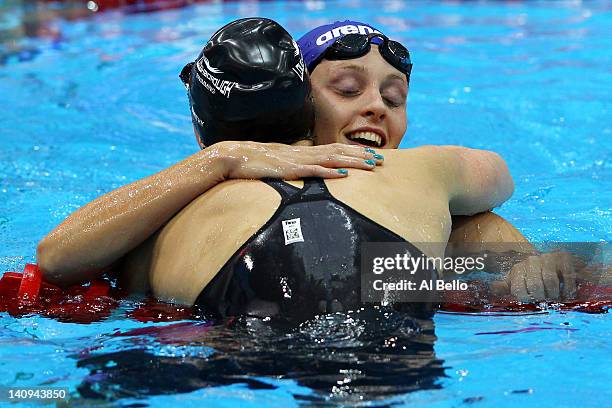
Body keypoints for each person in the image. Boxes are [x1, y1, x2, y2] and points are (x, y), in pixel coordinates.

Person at [35, 18, 564, 307]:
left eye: (395, 98)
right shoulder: (427, 177)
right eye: (348, 89)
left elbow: (55, 263)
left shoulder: (418, 181)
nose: (377, 105)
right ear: (299, 103)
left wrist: (523, 262)